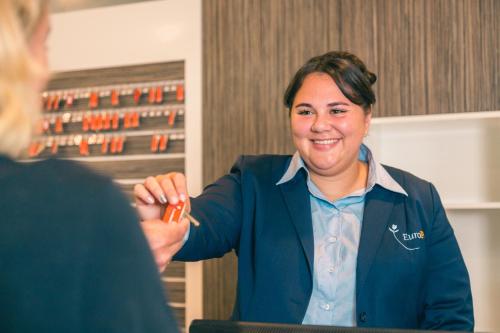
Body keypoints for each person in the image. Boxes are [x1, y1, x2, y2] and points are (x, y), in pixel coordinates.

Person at [134, 51, 474, 330]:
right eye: (305, 111)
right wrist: (169, 220)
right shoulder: (254, 181)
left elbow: (450, 312)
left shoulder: (418, 199)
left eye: (337, 110)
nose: (319, 125)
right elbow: (205, 223)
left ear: (366, 119)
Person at [0, 1, 179, 332]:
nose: (47, 70)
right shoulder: (80, 204)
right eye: (44, 45)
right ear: (16, 62)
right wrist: (122, 256)